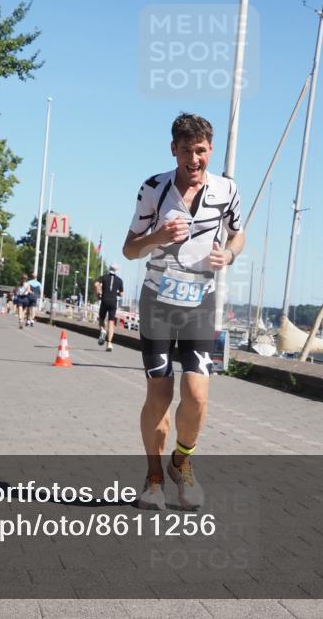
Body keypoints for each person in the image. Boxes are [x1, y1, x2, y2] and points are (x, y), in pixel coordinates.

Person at [123, 112, 245, 511]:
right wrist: (156, 237)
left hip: (199, 302)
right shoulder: (154, 189)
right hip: (158, 301)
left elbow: (238, 234)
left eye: (202, 151)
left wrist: (227, 253)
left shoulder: (227, 191)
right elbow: (130, 249)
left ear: (210, 150)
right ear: (173, 149)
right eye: (187, 151)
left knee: (196, 394)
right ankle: (154, 478)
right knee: (160, 394)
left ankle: (182, 461)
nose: (194, 160)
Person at [94, 264, 124, 352]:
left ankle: (103, 330)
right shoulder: (119, 280)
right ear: (116, 271)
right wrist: (116, 293)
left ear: (109, 269)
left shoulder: (103, 277)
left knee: (101, 319)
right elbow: (122, 294)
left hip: (104, 300)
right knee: (111, 323)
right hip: (113, 302)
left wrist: (98, 295)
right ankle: (109, 344)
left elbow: (96, 285)